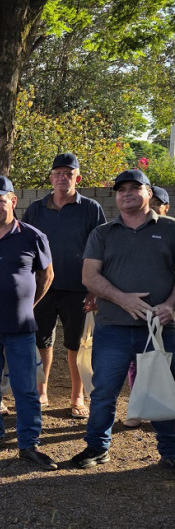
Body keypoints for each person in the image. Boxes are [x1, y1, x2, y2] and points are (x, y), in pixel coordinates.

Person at [69, 169, 175, 472]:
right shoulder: (102, 233)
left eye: (134, 188)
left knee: (164, 388)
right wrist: (122, 298)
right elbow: (89, 276)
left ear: (150, 193)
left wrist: (170, 305)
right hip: (113, 327)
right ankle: (98, 447)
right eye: (121, 189)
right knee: (104, 391)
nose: (126, 193)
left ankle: (170, 451)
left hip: (160, 329)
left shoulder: (170, 229)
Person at [0, 176, 58, 470]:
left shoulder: (33, 236)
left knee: (25, 388)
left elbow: (47, 276)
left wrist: (27, 305)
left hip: (20, 328)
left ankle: (28, 444)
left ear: (13, 202)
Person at [21, 153, 106, 417]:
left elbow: (102, 249)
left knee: (76, 345)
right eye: (57, 173)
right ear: (51, 177)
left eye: (68, 174)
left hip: (79, 289)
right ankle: (41, 391)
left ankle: (77, 396)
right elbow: (24, 245)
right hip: (41, 288)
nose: (62, 178)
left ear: (77, 178)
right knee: (41, 341)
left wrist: (95, 288)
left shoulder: (91, 208)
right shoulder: (36, 207)